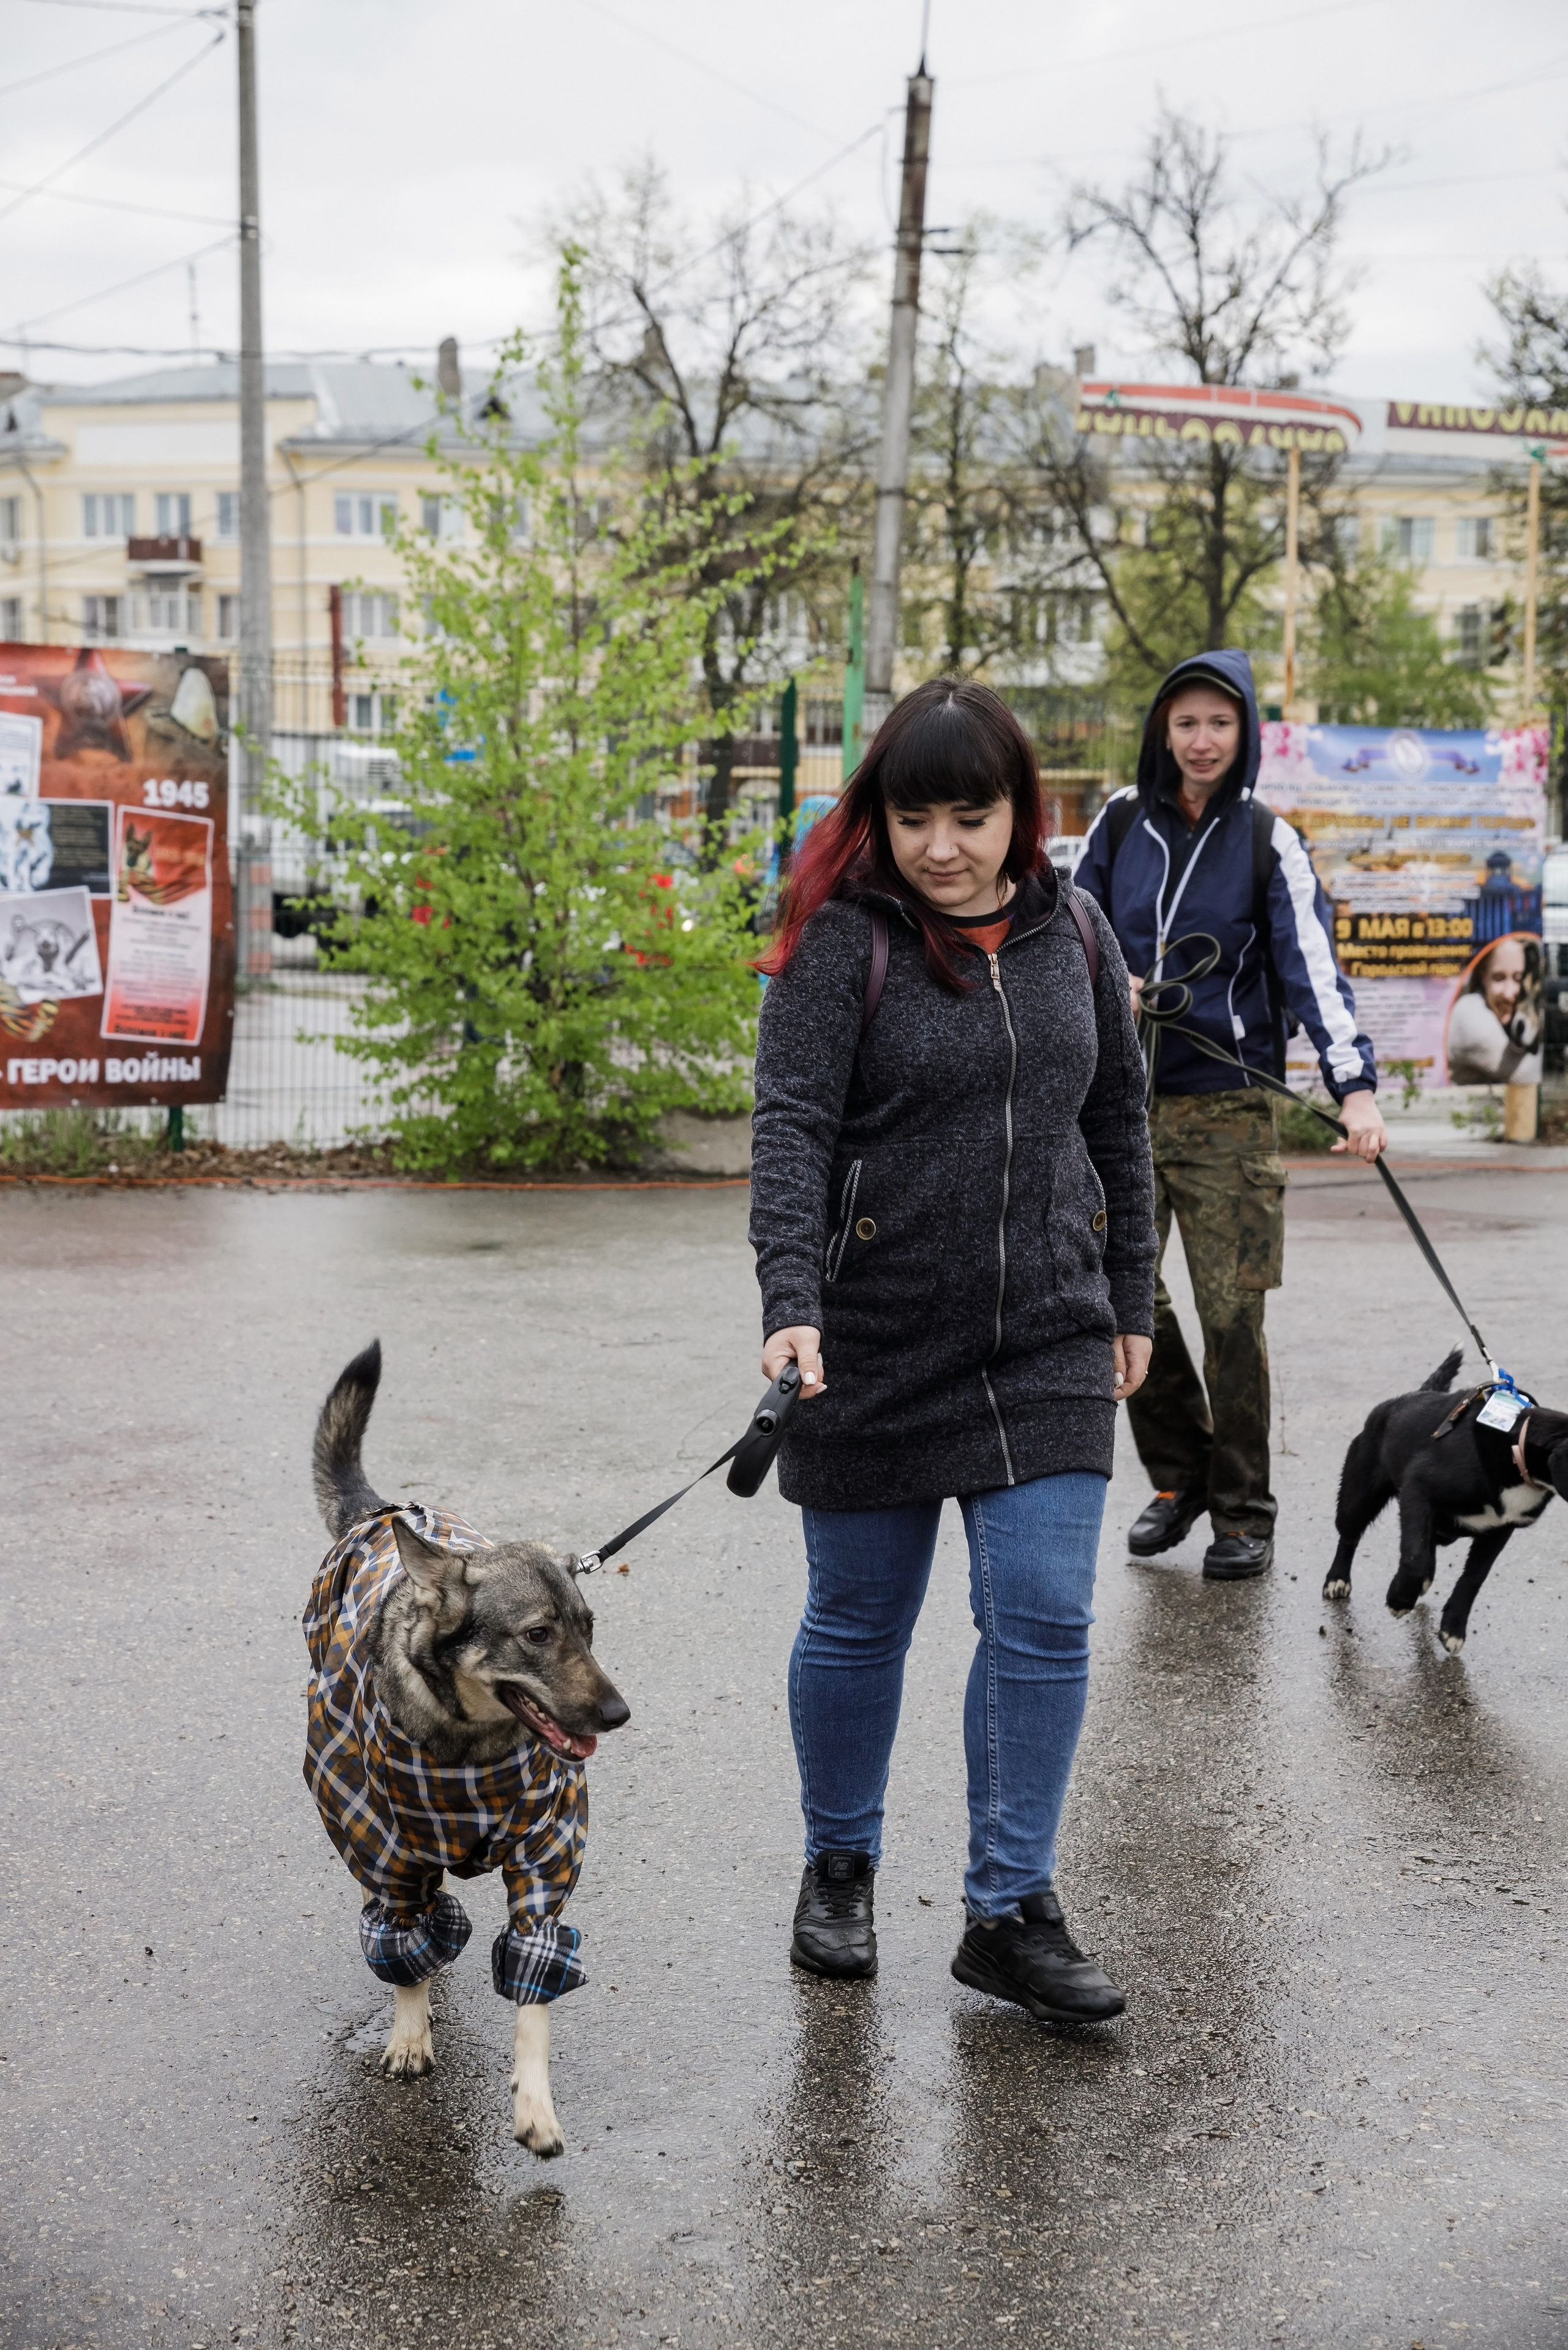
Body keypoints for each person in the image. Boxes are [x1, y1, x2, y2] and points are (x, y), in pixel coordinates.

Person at [749, 677, 1157, 2024]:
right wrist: (790, 1298)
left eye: (969, 815)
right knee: (860, 1619)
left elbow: (1118, 1121)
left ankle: (1008, 1908)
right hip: (867, 1338)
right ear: (880, 816)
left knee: (1042, 1612)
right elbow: (791, 1129)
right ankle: (839, 1861)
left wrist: (1133, 1296)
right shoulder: (841, 941)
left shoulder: (1074, 931)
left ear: (1017, 812)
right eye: (913, 816)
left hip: (1047, 1327)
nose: (941, 846)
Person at [1075, 650, 1387, 1583]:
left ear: (1244, 731)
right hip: (1118, 1104)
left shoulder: (1268, 840)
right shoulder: (1121, 823)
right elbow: (1067, 925)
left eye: (1220, 722)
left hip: (1232, 1110)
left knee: (1233, 1316)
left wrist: (1355, 1088)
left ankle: (1243, 1509)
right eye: (1186, 723)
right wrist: (1109, 976)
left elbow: (1313, 973)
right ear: (1161, 732)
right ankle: (1181, 1476)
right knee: (1116, 1297)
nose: (1202, 740)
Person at [1446, 935, 1543, 1086]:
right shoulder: (1470, 1015)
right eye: (1499, 978)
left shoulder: (1497, 1010)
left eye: (1518, 979)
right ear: (1483, 977)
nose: (1509, 994)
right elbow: (1529, 1076)